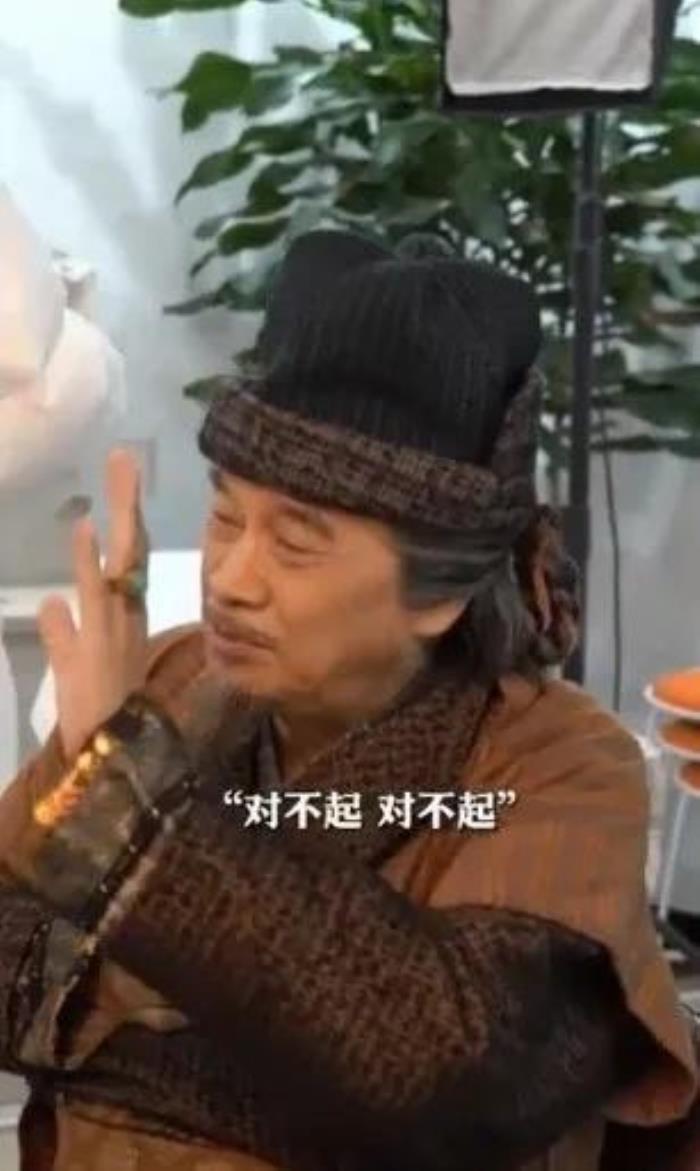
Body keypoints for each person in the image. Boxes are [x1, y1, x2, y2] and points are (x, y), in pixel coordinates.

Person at [0, 229, 697, 1171]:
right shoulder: (173, 680)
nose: (229, 579)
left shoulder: (560, 758)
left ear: (439, 593)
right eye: (225, 515)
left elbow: (455, 1082)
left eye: (296, 543)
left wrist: (130, 808)